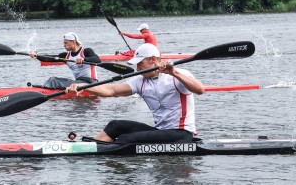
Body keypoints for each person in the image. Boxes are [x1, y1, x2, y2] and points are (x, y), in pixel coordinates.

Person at [66, 43, 205, 143]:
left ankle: (108, 152)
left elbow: (200, 89)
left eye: (140, 63)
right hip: (161, 131)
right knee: (115, 126)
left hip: (181, 134)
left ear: (153, 60)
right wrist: (83, 86)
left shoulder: (178, 75)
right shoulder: (140, 80)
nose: (138, 68)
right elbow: (111, 90)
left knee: (126, 139)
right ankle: (91, 149)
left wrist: (174, 73)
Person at [29, 32, 101, 89]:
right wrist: (36, 55)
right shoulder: (66, 56)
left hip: (91, 82)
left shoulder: (86, 51)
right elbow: (49, 58)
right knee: (53, 79)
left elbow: (98, 60)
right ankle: (46, 88)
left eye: (65, 43)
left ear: (73, 42)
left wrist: (84, 59)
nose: (64, 45)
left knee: (54, 81)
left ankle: (46, 88)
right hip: (78, 82)